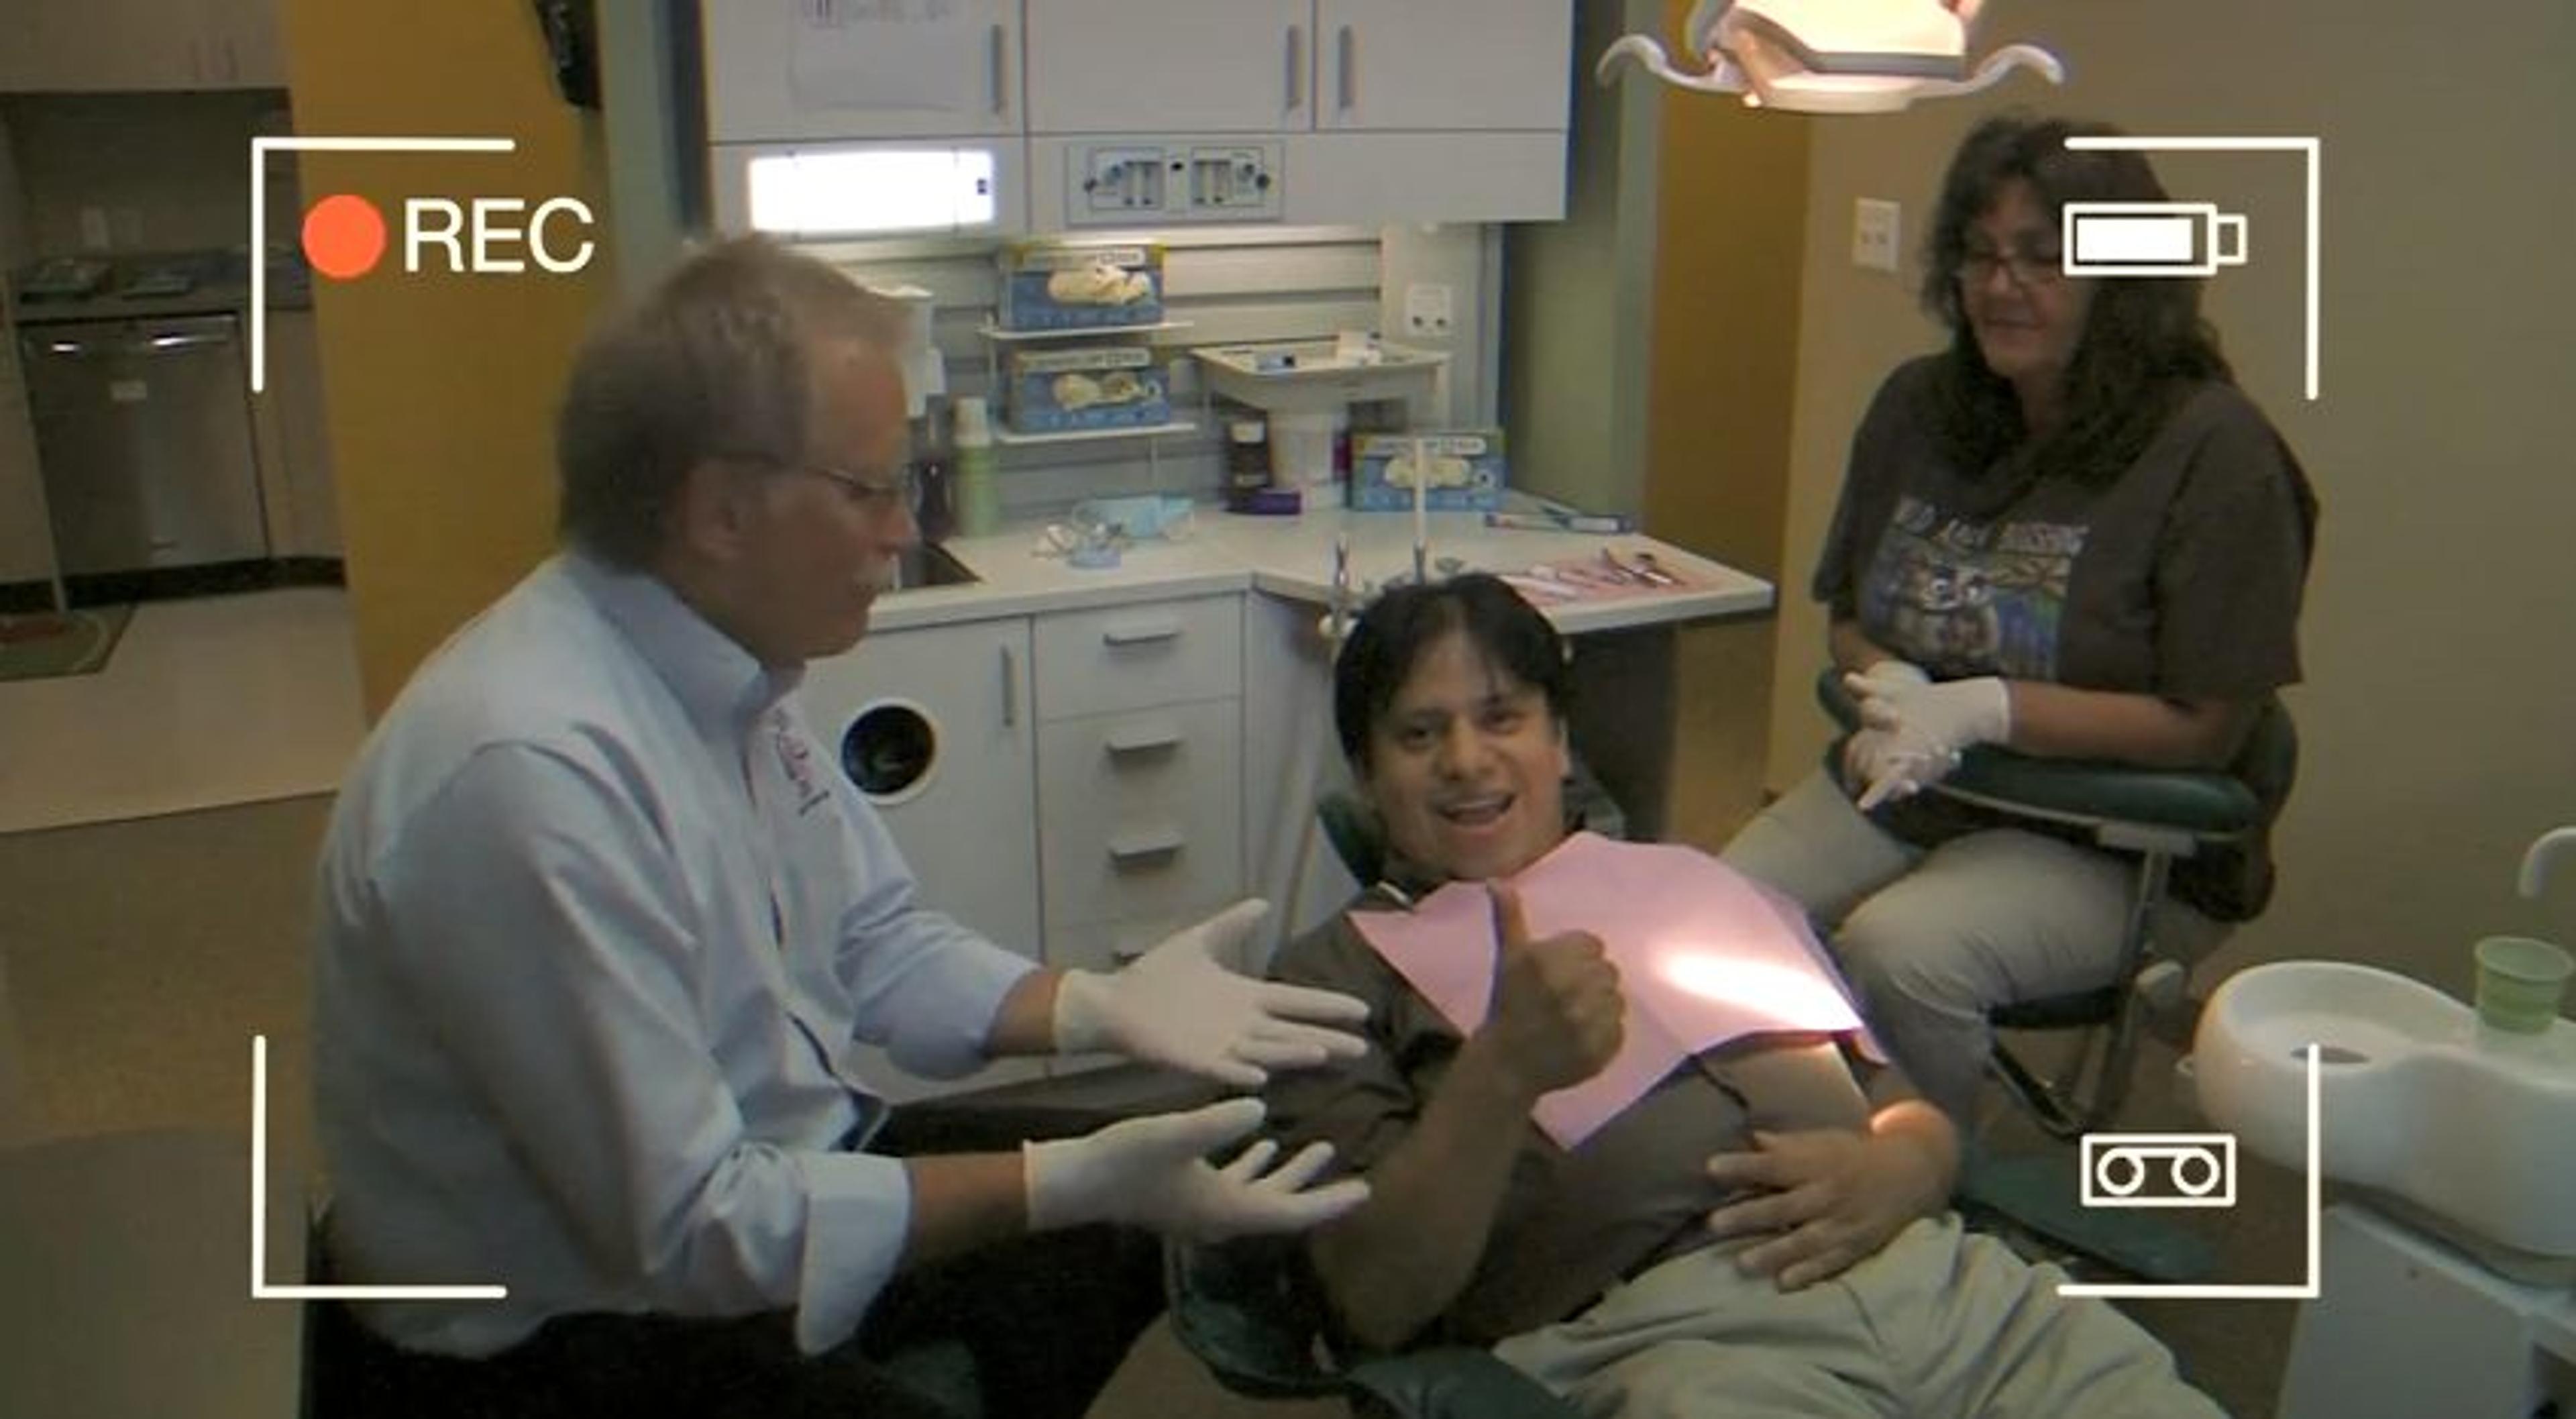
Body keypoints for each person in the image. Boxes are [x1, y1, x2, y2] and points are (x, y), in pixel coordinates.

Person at [308, 235, 1371, 1419]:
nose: (905, 533)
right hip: (549, 1335)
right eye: (871, 490)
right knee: (1085, 1203)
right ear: (719, 511)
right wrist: (1057, 1179)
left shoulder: (727, 672)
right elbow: (695, 1232)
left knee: (1132, 1211)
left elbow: (873, 943)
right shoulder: (531, 780)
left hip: (755, 1185)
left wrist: (1098, 1004)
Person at [1259, 572, 2224, 1416]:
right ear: (1368, 774)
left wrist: (1909, 1168)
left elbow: (1896, 1106)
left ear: (1559, 743)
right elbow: (1371, 1299)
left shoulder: (1699, 885)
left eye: (1502, 717)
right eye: (1420, 734)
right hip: (1675, 1345)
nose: (1467, 760)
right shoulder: (1332, 980)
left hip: (1935, 1281)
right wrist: (1499, 1076)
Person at [1721, 113, 2320, 1124]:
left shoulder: (2217, 457)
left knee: (1900, 953)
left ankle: (1912, 1195)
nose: (2004, 287)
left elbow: (2211, 726)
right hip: (1926, 793)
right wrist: (1897, 691)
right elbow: (1855, 615)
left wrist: (1987, 710)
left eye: (2045, 259)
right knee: (1719, 915)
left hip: (2116, 838)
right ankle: (1776, 1143)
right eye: (1981, 255)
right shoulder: (1919, 407)